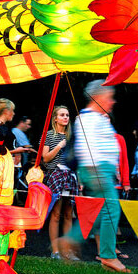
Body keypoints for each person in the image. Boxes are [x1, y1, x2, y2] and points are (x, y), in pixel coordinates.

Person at [59, 80, 129, 272]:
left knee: (100, 212)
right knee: (112, 210)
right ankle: (107, 256)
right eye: (109, 97)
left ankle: (71, 240)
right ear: (98, 97)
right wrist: (97, 172)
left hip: (101, 170)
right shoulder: (87, 118)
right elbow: (84, 148)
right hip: (97, 170)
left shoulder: (97, 118)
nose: (112, 102)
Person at [42, 106, 79, 260]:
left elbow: (77, 160)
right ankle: (55, 251)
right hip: (56, 175)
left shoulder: (73, 137)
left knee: (69, 214)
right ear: (55, 118)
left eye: (67, 115)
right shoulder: (50, 135)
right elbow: (45, 158)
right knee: (56, 214)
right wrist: (58, 146)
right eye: (62, 115)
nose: (65, 117)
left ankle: (67, 250)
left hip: (70, 176)